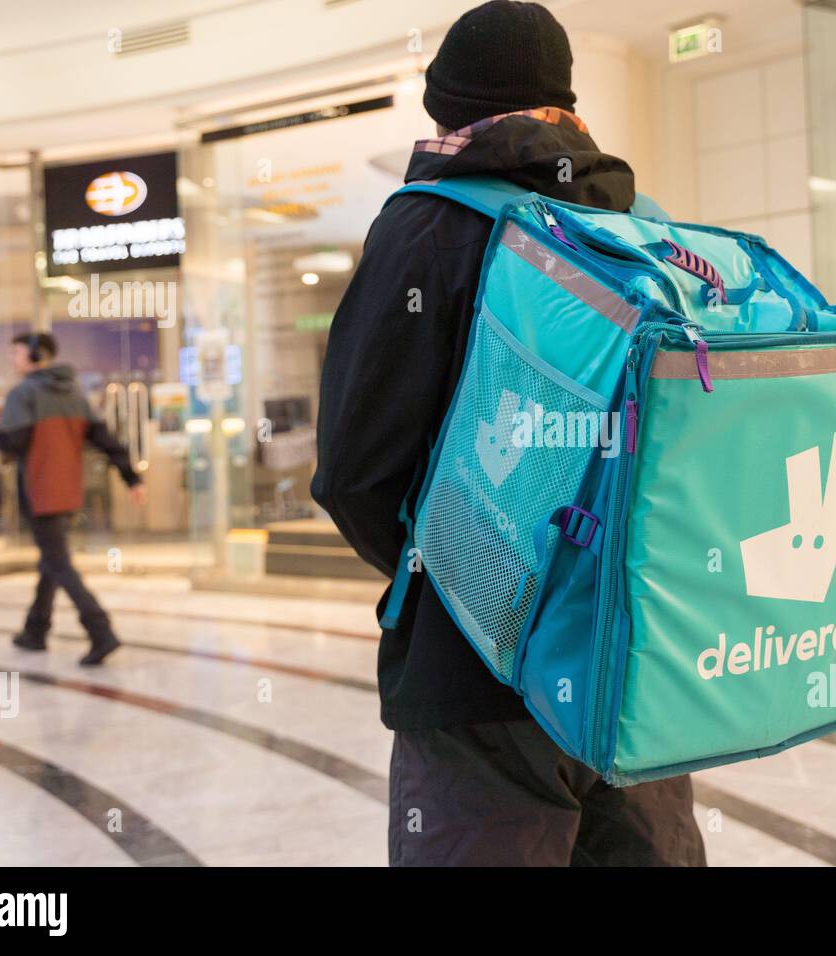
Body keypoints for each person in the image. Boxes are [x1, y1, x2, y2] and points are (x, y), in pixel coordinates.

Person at [313, 0, 707, 866]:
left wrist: (463, 577)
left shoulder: (423, 226)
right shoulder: (642, 227)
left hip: (475, 684)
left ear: (445, 108)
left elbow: (352, 472)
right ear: (561, 99)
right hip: (630, 661)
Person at [0, 332, 145, 666]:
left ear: (34, 354)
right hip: (69, 492)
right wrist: (131, 477)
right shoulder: (74, 392)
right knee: (51, 561)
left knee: (58, 563)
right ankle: (35, 630)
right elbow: (105, 438)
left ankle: (100, 630)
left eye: (15, 354)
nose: (13, 361)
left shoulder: (24, 393)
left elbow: (12, 442)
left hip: (39, 491)